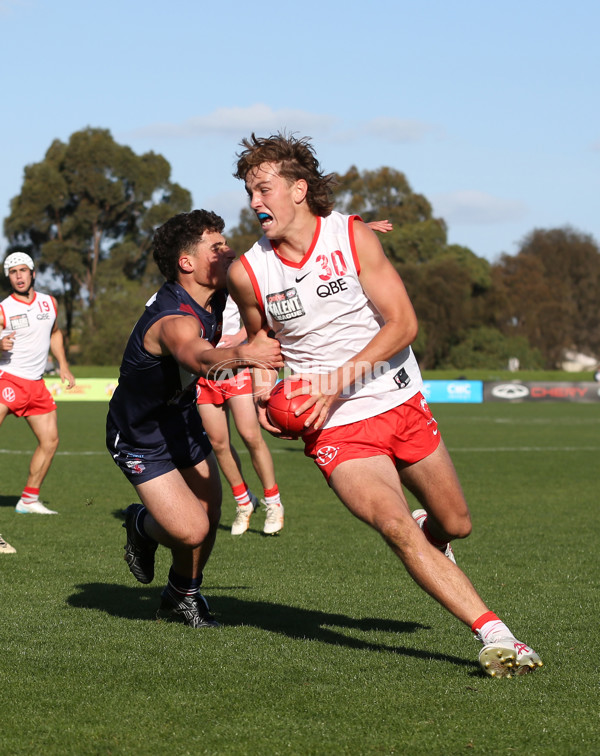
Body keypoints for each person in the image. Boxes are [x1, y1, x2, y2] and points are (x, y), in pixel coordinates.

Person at [228, 132, 543, 678]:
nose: (255, 202)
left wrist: (336, 378)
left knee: (456, 523)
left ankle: (435, 534)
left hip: (397, 399)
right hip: (335, 428)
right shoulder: (248, 271)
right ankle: (498, 635)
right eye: (250, 192)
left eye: (264, 188)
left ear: (299, 189)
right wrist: (262, 392)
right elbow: (261, 346)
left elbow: (404, 323)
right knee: (396, 526)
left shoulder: (352, 238)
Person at [106, 210, 283, 628]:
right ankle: (141, 525)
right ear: (187, 263)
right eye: (216, 247)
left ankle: (182, 594)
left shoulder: (214, 293)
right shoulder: (173, 319)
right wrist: (248, 355)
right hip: (139, 435)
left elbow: (272, 260)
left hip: (181, 420)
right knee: (191, 530)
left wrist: (346, 235)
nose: (228, 251)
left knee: (211, 511)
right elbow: (199, 357)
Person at [196, 295, 284, 536]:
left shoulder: (233, 281)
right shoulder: (185, 291)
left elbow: (262, 317)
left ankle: (273, 502)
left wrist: (237, 338)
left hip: (236, 366)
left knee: (249, 434)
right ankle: (244, 501)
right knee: (218, 443)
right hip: (204, 373)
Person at [0, 252, 76, 514]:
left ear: (33, 273)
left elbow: (55, 333)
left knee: (50, 441)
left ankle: (29, 500)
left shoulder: (49, 303)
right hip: (7, 380)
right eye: (13, 272)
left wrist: (63, 366)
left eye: (23, 270)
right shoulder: (3, 308)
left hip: (36, 384)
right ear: (8, 277)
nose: (19, 276)